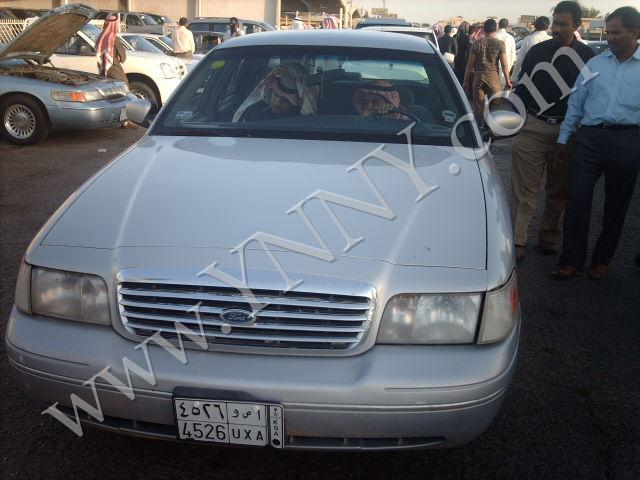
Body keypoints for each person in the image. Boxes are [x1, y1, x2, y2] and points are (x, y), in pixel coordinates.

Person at [553, 6, 640, 280]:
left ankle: (602, 260)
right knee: (577, 198)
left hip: (627, 140)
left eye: (617, 32)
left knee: (616, 205)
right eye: (608, 32)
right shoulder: (595, 64)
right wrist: (563, 139)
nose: (610, 37)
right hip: (589, 139)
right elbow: (576, 103)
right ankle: (572, 260)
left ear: (635, 32)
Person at [510, 1, 594, 261]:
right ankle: (516, 243)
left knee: (559, 191)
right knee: (524, 191)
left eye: (563, 24)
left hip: (568, 132)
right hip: (532, 127)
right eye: (555, 23)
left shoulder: (588, 57)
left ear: (576, 25)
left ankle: (550, 238)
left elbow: (591, 97)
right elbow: (522, 88)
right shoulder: (538, 52)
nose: (556, 29)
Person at [463, 19, 511, 127]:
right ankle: (491, 128)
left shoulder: (476, 44)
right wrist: (508, 81)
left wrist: (465, 81)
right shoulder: (500, 44)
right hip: (493, 77)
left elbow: (469, 65)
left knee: (478, 106)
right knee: (495, 105)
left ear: (484, 30)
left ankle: (479, 128)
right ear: (496, 29)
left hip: (478, 77)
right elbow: (504, 65)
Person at [233, 65, 318, 122]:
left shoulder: (302, 122)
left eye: (285, 100)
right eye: (276, 95)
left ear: (297, 103)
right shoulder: (254, 111)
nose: (277, 103)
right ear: (271, 92)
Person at [96, 14, 134, 128]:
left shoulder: (100, 37)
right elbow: (123, 58)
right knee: (124, 92)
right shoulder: (114, 38)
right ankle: (125, 121)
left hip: (103, 70)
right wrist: (117, 57)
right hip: (115, 70)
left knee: (109, 97)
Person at [511, 16, 551, 81]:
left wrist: (513, 78)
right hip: (546, 78)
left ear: (535, 26)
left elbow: (519, 60)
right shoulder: (551, 40)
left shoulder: (528, 39)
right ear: (548, 26)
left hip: (528, 78)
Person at [496, 18, 517, 87]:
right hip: (506, 67)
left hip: (493, 67)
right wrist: (509, 68)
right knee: (503, 88)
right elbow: (513, 56)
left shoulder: (494, 36)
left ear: (498, 25)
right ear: (507, 26)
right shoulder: (511, 38)